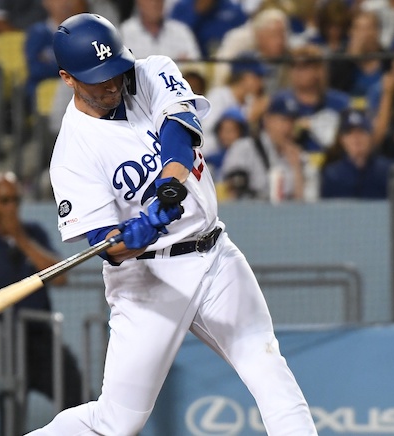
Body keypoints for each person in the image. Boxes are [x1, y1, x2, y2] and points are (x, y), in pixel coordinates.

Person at [27, 13, 317, 435]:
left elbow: (180, 128)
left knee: (266, 362)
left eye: (115, 70)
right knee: (117, 423)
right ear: (67, 78)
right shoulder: (70, 154)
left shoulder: (150, 72)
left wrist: (167, 188)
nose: (112, 83)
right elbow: (105, 244)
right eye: (98, 78)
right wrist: (132, 238)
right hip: (148, 281)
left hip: (215, 255)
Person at [0, 172, 83, 432]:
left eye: (15, 200)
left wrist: (21, 240)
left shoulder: (34, 234)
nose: (11, 207)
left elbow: (59, 278)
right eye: (4, 200)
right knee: (1, 415)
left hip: (40, 338)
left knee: (76, 393)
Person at [220, 95, 314, 201]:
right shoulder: (243, 149)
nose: (288, 127)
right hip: (251, 215)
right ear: (267, 120)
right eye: (283, 120)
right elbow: (235, 193)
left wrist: (297, 169)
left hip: (288, 216)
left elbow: (306, 206)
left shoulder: (301, 157)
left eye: (292, 121)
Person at [271, 43, 350, 152]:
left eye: (304, 66)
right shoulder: (279, 101)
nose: (297, 71)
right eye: (293, 66)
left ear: (318, 70)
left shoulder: (340, 102)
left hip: (330, 162)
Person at [320, 108, 391, 199]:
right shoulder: (332, 175)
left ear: (370, 137)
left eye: (361, 132)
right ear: (342, 139)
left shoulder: (387, 171)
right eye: (349, 133)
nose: (356, 138)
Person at [119, 0, 201, 61]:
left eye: (158, 0)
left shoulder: (182, 32)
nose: (155, 3)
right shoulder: (123, 33)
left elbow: (196, 68)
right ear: (138, 2)